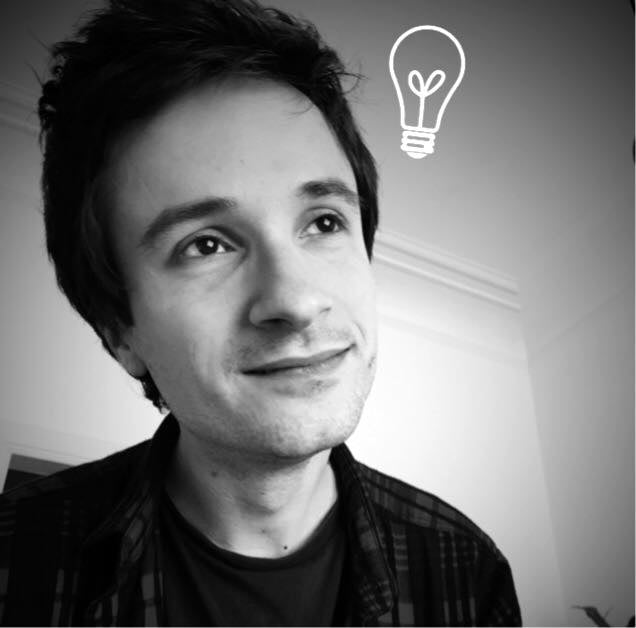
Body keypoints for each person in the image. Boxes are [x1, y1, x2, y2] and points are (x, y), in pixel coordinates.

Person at [0, 0, 521, 625]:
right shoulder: (14, 561)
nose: (296, 302)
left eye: (324, 222)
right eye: (206, 245)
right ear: (119, 331)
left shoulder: (467, 569)